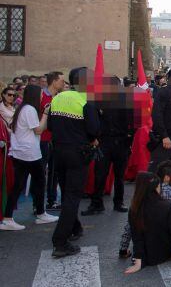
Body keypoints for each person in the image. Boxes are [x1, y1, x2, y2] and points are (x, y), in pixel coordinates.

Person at [49, 67, 100, 258]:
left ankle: (74, 227)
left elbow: (52, 126)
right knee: (72, 196)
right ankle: (60, 241)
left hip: (59, 150)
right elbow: (94, 129)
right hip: (78, 153)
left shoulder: (58, 98)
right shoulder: (86, 100)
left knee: (66, 193)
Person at [1, 85, 58, 231]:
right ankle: (38, 213)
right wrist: (45, 113)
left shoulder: (23, 108)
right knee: (37, 183)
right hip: (28, 153)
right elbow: (38, 129)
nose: (41, 97)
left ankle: (33, 213)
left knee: (25, 184)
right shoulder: (30, 110)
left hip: (22, 152)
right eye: (40, 94)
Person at [84, 79, 134, 215]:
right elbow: (91, 120)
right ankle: (96, 203)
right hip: (104, 142)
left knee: (119, 175)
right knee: (100, 174)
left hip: (121, 141)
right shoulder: (97, 101)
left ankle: (118, 202)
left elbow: (133, 122)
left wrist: (128, 141)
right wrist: (94, 138)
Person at [118, 160, 171, 259]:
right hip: (165, 246)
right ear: (167, 178)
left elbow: (129, 227)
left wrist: (123, 249)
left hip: (144, 247)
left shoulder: (138, 200)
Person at [125, 172, 171, 274]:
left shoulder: (134, 209)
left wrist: (138, 260)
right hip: (166, 252)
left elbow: (136, 237)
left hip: (147, 255)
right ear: (156, 187)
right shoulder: (167, 206)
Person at [41, 71, 64, 210]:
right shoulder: (41, 95)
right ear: (54, 81)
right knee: (40, 171)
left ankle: (51, 200)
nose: (63, 83)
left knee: (54, 172)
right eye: (61, 80)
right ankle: (37, 204)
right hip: (43, 138)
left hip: (56, 138)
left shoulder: (60, 97)